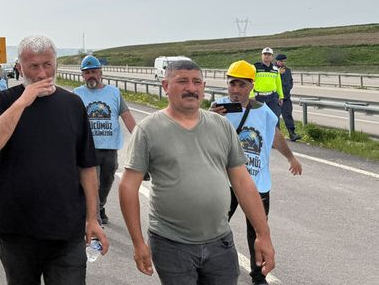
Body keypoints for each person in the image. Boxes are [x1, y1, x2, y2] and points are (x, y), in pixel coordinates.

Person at [118, 59, 275, 285]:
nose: (191, 88)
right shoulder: (148, 130)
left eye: (196, 82)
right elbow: (128, 187)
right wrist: (138, 242)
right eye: (182, 81)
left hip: (220, 243)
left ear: (203, 86)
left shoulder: (221, 126)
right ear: (165, 85)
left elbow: (243, 182)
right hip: (171, 244)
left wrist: (263, 235)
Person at [0, 35, 108, 284]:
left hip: (67, 230)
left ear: (56, 64)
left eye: (47, 65)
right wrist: (23, 102)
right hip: (17, 230)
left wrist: (93, 219)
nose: (41, 73)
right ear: (20, 67)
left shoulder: (73, 104)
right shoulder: (5, 101)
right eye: (33, 66)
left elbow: (87, 167)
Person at [210, 60, 302, 285]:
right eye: (232, 84)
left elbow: (276, 136)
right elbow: (197, 136)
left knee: (258, 233)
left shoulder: (264, 112)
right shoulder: (216, 108)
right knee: (215, 228)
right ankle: (211, 268)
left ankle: (258, 277)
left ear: (251, 86)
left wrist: (291, 157)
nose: (236, 90)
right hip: (225, 182)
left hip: (257, 183)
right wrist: (209, 118)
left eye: (241, 85)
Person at [72, 55, 137, 225]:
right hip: (87, 149)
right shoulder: (77, 94)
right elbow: (70, 120)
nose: (91, 75)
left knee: (106, 183)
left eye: (94, 71)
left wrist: (140, 138)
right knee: (92, 184)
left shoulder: (114, 93)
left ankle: (99, 206)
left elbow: (127, 117)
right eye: (87, 72)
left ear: (101, 72)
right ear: (82, 75)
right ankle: (94, 219)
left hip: (109, 148)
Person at [275, 54, 301, 141]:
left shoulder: (288, 70)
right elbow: (275, 83)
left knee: (288, 115)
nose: (283, 63)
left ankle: (292, 134)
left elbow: (290, 82)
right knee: (275, 117)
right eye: (281, 61)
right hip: (275, 98)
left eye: (284, 61)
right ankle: (277, 136)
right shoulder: (272, 70)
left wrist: (287, 89)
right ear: (277, 61)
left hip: (286, 97)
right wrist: (279, 74)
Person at [252, 47, 284, 117]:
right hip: (258, 97)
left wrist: (281, 96)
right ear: (262, 56)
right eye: (265, 54)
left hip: (272, 97)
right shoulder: (255, 67)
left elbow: (278, 84)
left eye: (269, 54)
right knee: (259, 118)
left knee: (274, 118)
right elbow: (250, 82)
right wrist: (251, 95)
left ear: (272, 57)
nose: (266, 56)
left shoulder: (275, 69)